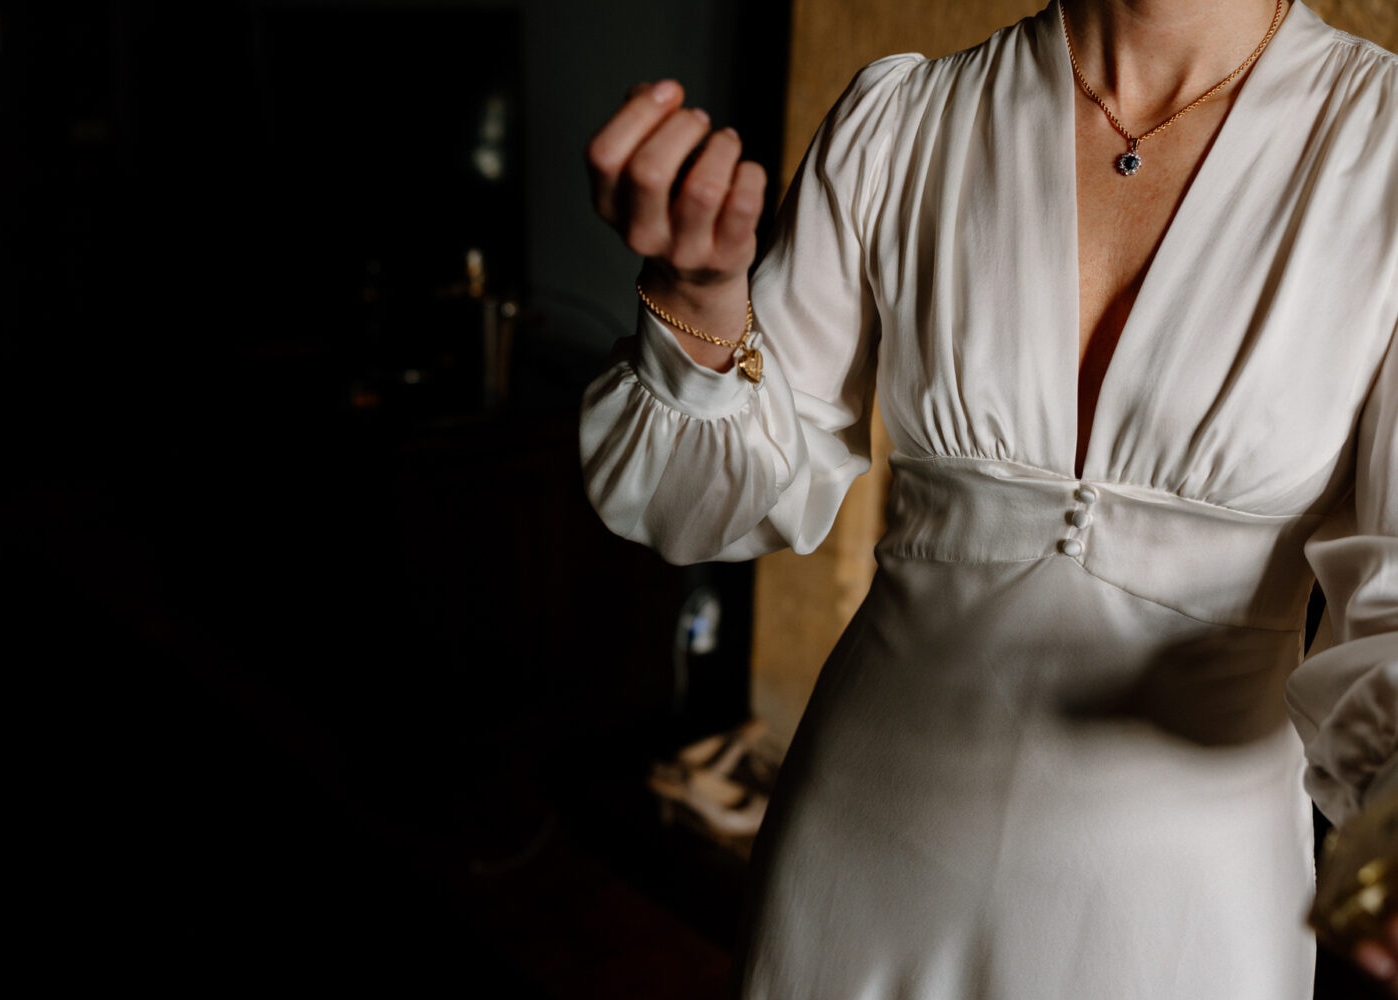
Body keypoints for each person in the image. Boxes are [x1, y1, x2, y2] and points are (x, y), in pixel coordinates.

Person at [580, 0, 1397, 997]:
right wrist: (701, 293)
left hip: (1185, 890)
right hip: (864, 839)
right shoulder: (905, 119)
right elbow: (701, 500)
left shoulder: (1383, 149)